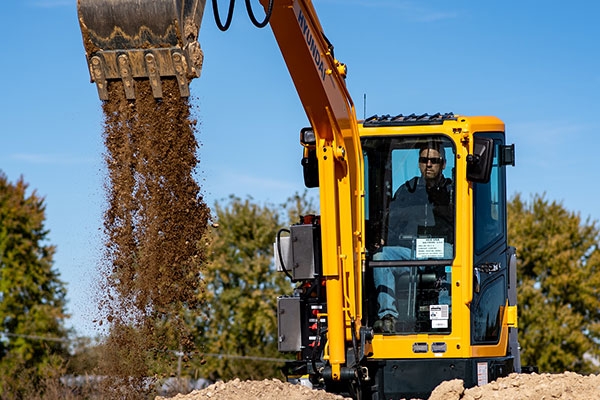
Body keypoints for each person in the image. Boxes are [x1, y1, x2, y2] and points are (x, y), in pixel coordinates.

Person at [372, 141, 454, 333]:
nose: (429, 164)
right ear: (419, 163)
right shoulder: (406, 191)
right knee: (381, 257)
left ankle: (446, 314)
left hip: (442, 249)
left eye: (434, 160)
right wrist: (383, 238)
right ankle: (388, 316)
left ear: (443, 164)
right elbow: (391, 220)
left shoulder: (453, 192)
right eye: (424, 160)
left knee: (453, 256)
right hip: (410, 252)